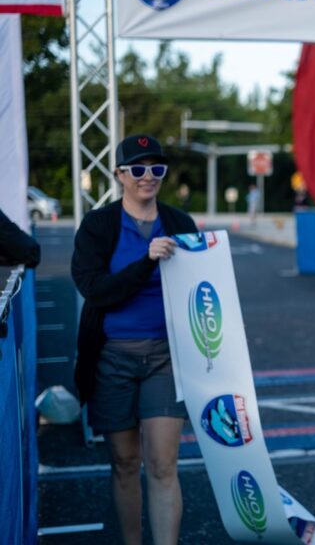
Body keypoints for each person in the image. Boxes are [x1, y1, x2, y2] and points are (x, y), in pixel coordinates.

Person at [71, 134, 196, 545]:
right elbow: (97, 291)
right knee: (125, 462)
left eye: (156, 168)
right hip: (111, 359)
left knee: (163, 466)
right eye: (138, 169)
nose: (148, 177)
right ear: (119, 174)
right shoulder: (98, 226)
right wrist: (146, 262)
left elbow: (202, 290)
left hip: (166, 358)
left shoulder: (180, 223)